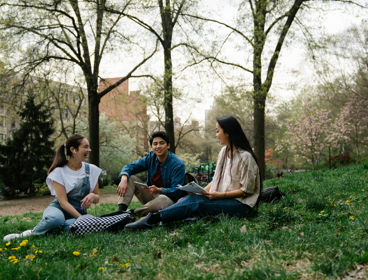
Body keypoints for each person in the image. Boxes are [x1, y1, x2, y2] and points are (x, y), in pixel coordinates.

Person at [124, 116, 263, 231]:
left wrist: (220, 195)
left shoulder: (245, 157)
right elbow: (217, 180)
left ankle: (152, 219)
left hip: (240, 205)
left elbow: (247, 190)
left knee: (197, 204)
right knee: (190, 199)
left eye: (217, 131)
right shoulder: (223, 152)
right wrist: (199, 192)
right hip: (222, 199)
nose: (216, 135)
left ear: (227, 132)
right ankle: (157, 218)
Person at [3, 134, 101, 242]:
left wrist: (93, 196)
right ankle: (29, 234)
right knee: (56, 219)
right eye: (86, 147)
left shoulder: (92, 170)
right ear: (73, 150)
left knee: (71, 227)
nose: (89, 150)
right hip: (58, 209)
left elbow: (97, 198)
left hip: (78, 214)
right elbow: (63, 203)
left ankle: (50, 231)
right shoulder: (58, 172)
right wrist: (82, 219)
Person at [106, 131, 185, 217]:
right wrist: (124, 179)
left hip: (168, 200)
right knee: (130, 178)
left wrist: (159, 190)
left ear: (168, 145)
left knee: (163, 199)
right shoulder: (151, 157)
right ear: (151, 147)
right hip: (151, 196)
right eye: (155, 144)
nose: (158, 146)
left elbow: (177, 191)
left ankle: (132, 213)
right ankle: (121, 211)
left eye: (162, 143)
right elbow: (129, 167)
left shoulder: (177, 164)